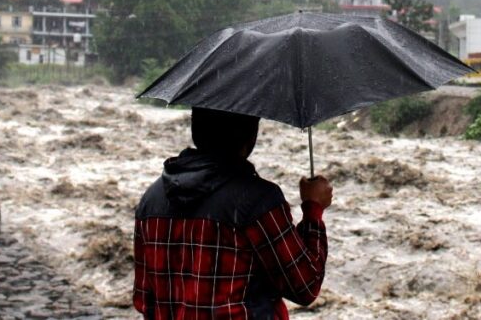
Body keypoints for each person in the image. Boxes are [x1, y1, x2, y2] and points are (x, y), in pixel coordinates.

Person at [134, 107, 332, 319]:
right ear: (251, 135)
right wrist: (313, 209)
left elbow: (144, 299)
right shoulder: (258, 201)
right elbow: (305, 285)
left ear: (195, 128)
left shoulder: (151, 200)